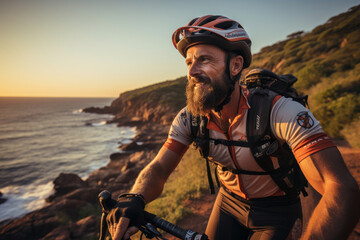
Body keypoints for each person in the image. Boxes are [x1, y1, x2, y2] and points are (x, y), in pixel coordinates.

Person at [106, 15, 360, 240]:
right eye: (188, 62)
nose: (193, 71)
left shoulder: (280, 112)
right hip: (228, 203)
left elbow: (340, 189)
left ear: (235, 66)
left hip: (278, 208)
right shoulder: (189, 118)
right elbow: (160, 167)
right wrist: (136, 197)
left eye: (204, 59)